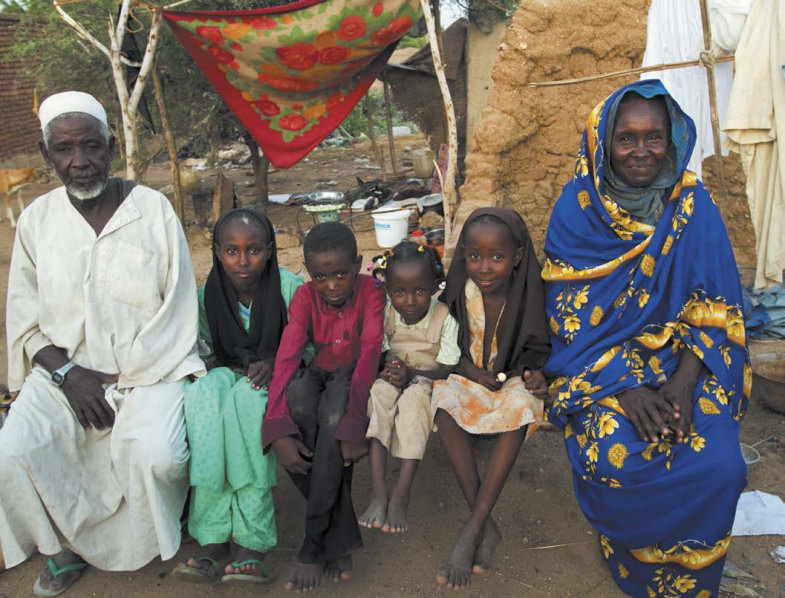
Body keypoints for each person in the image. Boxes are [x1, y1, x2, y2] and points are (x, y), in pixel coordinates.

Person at [543, 80, 750, 597]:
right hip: (604, 374)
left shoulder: (692, 205)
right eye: (626, 138)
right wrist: (626, 389)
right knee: (616, 453)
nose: (641, 151)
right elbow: (570, 324)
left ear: (673, 139)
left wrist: (682, 384)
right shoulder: (576, 213)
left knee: (719, 463)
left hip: (689, 364)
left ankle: (694, 580)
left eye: (654, 137)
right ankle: (632, 555)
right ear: (603, 143)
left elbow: (718, 305)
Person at [0, 91, 204, 596]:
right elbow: (24, 321)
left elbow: (178, 307)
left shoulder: (152, 210)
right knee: (15, 451)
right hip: (63, 374)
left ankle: (155, 532)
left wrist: (125, 379)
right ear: (48, 156)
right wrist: (71, 376)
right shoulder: (37, 222)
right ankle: (63, 547)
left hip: (149, 369)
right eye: (65, 150)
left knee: (154, 454)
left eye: (90, 147)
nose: (80, 162)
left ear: (109, 147)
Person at [172, 209, 304, 585]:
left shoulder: (288, 287)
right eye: (232, 251)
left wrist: (275, 363)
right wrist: (224, 370)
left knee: (246, 405)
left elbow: (307, 347)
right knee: (204, 396)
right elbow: (203, 350)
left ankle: (251, 540)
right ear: (216, 251)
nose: (243, 261)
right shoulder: (205, 296)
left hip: (276, 380)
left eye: (254, 250)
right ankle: (211, 535)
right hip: (227, 374)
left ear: (270, 250)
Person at [431, 207, 551, 590]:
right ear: (463, 254)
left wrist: (534, 374)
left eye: (497, 257)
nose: (484, 267)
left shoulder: (530, 293)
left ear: (516, 257)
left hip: (510, 382)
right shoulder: (458, 293)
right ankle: (483, 523)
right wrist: (470, 371)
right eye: (475, 256)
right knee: (443, 403)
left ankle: (471, 529)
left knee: (520, 407)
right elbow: (444, 348)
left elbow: (539, 347)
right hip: (466, 375)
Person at [262, 222, 385, 592]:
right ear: (309, 274)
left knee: (333, 417)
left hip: (353, 376)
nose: (332, 285)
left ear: (358, 264)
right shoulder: (303, 297)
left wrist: (352, 422)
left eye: (341, 274)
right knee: (299, 406)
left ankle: (314, 540)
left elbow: (369, 356)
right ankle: (340, 534)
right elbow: (287, 357)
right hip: (321, 371)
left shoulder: (371, 292)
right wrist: (275, 424)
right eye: (321, 277)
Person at [358, 241, 460, 534]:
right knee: (378, 396)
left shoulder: (444, 317)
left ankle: (401, 492)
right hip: (391, 378)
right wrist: (387, 371)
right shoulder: (386, 311)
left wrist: (412, 373)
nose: (411, 300)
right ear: (388, 290)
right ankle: (378, 490)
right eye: (400, 292)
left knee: (414, 403)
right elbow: (377, 353)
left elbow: (446, 367)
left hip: (426, 380)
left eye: (420, 290)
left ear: (435, 285)